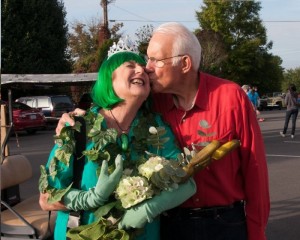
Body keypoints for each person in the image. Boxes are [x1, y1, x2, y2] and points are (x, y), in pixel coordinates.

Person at [56, 22, 270, 240]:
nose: (146, 67)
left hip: (223, 223)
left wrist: (256, 233)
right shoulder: (153, 102)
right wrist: (78, 116)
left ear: (185, 63)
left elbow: (255, 173)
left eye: (155, 60)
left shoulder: (229, 98)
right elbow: (117, 103)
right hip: (169, 224)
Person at [39, 37, 196, 240]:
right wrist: (90, 199)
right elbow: (46, 199)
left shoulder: (156, 129)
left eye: (143, 68)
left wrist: (149, 208)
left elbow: (185, 180)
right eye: (130, 66)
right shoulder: (78, 126)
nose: (141, 71)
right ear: (109, 78)